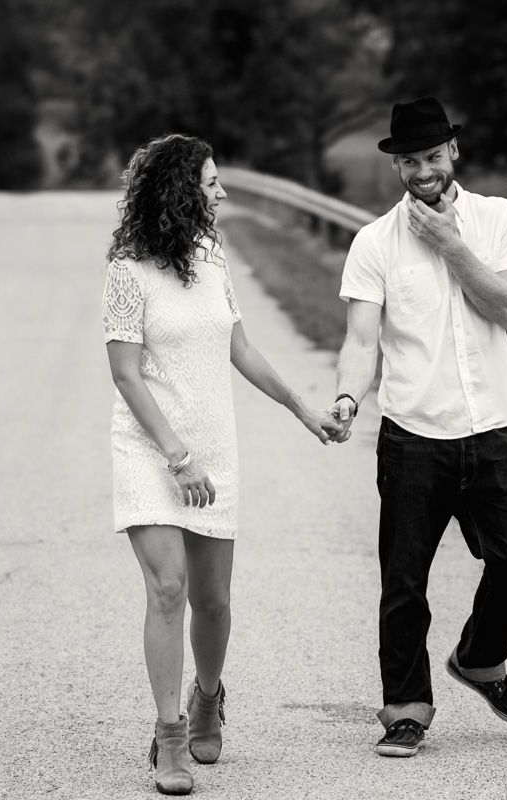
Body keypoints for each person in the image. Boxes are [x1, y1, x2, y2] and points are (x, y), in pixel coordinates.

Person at [101, 133, 340, 795]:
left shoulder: (211, 256)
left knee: (213, 601)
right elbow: (125, 374)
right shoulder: (127, 270)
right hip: (151, 450)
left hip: (215, 449)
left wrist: (302, 407)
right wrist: (175, 456)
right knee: (169, 590)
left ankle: (209, 697)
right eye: (211, 183)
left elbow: (241, 347)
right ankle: (170, 735)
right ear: (181, 191)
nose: (223, 193)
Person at [328, 97, 507, 757]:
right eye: (410, 160)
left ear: (453, 152)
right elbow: (362, 340)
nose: (422, 170)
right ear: (398, 164)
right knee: (404, 581)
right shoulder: (374, 243)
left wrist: (452, 247)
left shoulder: (496, 218)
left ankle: (481, 658)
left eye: (432, 156)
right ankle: (406, 710)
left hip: (488, 428)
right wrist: (346, 396)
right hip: (413, 437)